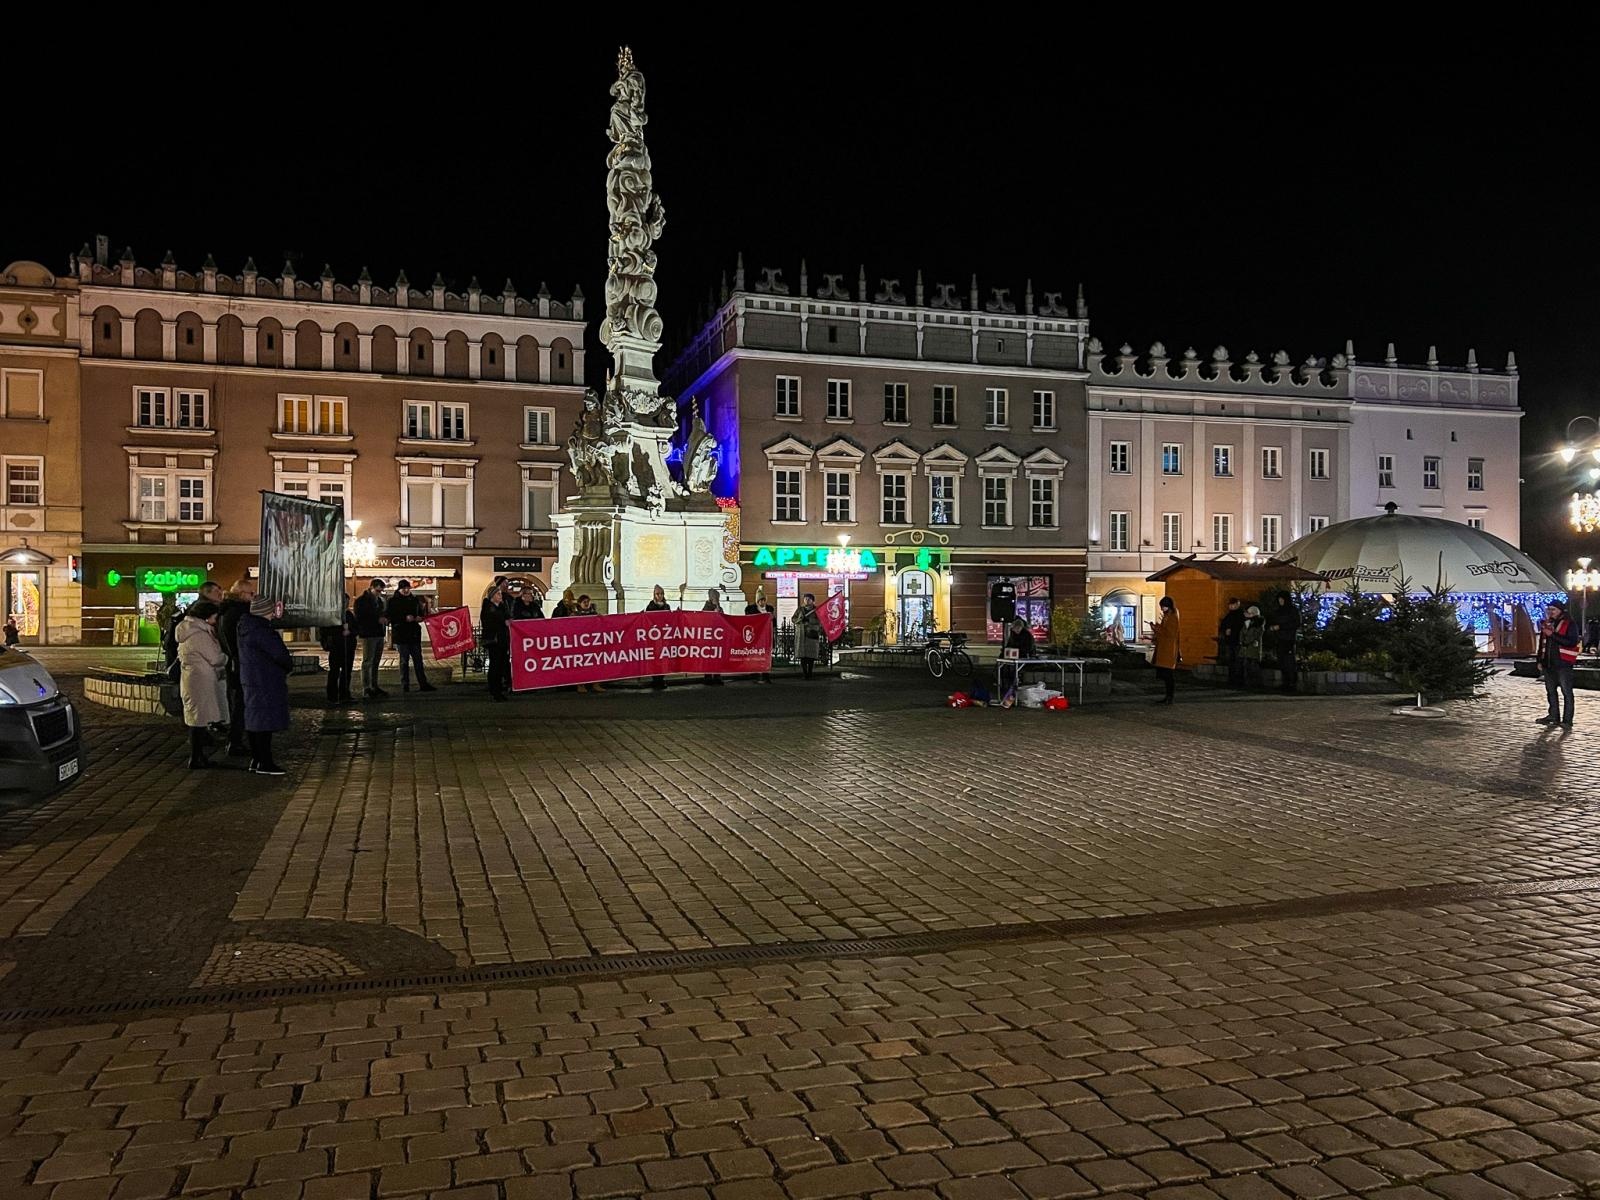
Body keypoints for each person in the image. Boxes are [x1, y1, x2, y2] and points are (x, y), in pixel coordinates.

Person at [237, 596, 291, 776]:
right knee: (264, 722)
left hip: (252, 678)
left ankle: (257, 759)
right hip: (265, 679)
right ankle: (265, 762)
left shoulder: (246, 627)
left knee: (255, 719)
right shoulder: (262, 630)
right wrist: (287, 665)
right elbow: (279, 654)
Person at [176, 600, 228, 769]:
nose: (216, 619)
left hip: (192, 678)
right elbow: (215, 658)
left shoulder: (188, 630)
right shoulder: (199, 635)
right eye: (214, 616)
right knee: (199, 720)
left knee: (197, 717)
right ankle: (196, 757)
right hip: (201, 680)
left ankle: (197, 756)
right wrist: (227, 658)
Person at [218, 578, 256, 755]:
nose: (253, 597)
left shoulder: (226, 611)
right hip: (241, 663)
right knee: (242, 704)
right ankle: (236, 741)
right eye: (251, 594)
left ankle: (236, 740)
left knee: (239, 703)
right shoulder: (239, 613)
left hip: (234, 663)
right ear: (241, 594)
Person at [385, 580, 436, 694]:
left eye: (408, 588)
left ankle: (423, 683)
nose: (407, 590)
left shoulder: (414, 600)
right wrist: (404, 618)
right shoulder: (393, 601)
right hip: (401, 634)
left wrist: (419, 618)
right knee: (404, 661)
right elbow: (391, 616)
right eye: (404, 589)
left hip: (413, 634)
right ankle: (405, 685)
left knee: (418, 660)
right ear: (399, 589)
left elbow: (422, 614)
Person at [162, 580, 224, 670]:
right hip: (203, 666)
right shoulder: (202, 609)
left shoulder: (196, 607)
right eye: (216, 591)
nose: (220, 593)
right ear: (206, 593)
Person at [1536, 599, 1580, 729]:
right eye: (1549, 609)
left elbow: (1572, 642)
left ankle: (1567, 720)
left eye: (1553, 609)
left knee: (1566, 692)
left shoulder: (1569, 624)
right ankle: (1553, 716)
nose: (1550, 612)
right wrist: (1539, 660)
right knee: (1551, 692)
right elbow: (1542, 643)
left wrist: (1552, 635)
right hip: (1548, 664)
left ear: (1560, 610)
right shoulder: (1548, 623)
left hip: (1563, 664)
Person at [354, 577, 390, 699]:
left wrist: (385, 619)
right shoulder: (362, 601)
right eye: (378, 590)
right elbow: (360, 617)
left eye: (381, 591)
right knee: (368, 661)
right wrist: (377, 619)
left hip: (379, 633)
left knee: (375, 662)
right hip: (368, 634)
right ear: (371, 588)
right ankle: (366, 688)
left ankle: (374, 685)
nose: (379, 593)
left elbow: (384, 613)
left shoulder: (380, 601)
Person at [319, 593, 358, 705]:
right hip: (336, 647)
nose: (346, 604)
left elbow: (356, 628)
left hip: (348, 647)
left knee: (347, 672)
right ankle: (332, 696)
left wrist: (350, 632)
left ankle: (344, 694)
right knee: (334, 672)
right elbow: (325, 631)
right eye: (344, 602)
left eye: (347, 602)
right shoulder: (332, 615)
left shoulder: (349, 615)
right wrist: (340, 633)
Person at [481, 583, 512, 702]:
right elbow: (490, 623)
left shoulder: (502, 607)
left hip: (502, 640)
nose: (501, 596)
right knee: (495, 665)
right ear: (492, 596)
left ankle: (498, 687)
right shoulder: (489, 608)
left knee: (501, 665)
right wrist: (503, 622)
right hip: (494, 640)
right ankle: (495, 690)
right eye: (498, 594)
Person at [1268, 590, 1301, 694]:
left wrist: (1281, 627)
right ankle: (1285, 682)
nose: (1280, 601)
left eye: (1282, 599)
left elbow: (1295, 623)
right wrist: (1273, 628)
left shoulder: (1292, 610)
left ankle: (1292, 683)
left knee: (1289, 662)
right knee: (1282, 661)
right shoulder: (1278, 611)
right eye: (1279, 600)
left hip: (1289, 639)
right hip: (1280, 639)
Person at [1151, 596, 1180, 705]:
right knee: (1166, 675)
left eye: (1163, 606)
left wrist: (1157, 628)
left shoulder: (1172, 617)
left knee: (1168, 675)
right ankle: (1168, 696)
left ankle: (1169, 697)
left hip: (1168, 649)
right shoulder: (1167, 616)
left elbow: (1169, 633)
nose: (1162, 609)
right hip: (1164, 648)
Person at [745, 587, 775, 683]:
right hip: (757, 637)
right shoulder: (751, 609)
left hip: (767, 637)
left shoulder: (769, 609)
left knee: (767, 656)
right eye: (760, 600)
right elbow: (749, 621)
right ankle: (758, 675)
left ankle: (766, 675)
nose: (762, 602)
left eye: (763, 600)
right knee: (758, 656)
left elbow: (773, 623)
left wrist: (772, 619)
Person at [646, 583, 672, 689]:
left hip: (664, 636)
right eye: (657, 594)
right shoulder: (651, 606)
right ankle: (655, 679)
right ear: (654, 595)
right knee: (655, 658)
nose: (659, 596)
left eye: (661, 594)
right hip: (654, 637)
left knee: (663, 658)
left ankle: (661, 678)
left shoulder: (667, 606)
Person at [795, 593, 825, 680]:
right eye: (805, 599)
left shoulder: (816, 610)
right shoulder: (800, 609)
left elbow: (820, 621)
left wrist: (810, 620)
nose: (806, 601)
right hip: (801, 635)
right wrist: (800, 619)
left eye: (808, 599)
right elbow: (794, 619)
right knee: (802, 656)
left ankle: (810, 673)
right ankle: (805, 674)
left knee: (810, 656)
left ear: (812, 601)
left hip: (812, 635)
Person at [1218, 598, 1246, 686]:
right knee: (1231, 660)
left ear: (1237, 604)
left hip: (1237, 641)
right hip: (1230, 641)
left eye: (1232, 604)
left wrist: (1231, 630)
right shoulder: (1229, 615)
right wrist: (1225, 630)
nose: (1230, 606)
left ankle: (1238, 679)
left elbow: (1241, 627)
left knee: (1237, 660)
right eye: (1230, 604)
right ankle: (1232, 679)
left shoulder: (1241, 615)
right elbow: (1223, 625)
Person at [701, 588, 725, 686]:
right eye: (715, 597)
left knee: (717, 658)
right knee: (708, 659)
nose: (717, 599)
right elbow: (704, 619)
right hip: (708, 638)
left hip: (717, 638)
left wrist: (719, 610)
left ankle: (717, 676)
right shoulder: (706, 608)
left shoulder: (720, 608)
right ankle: (708, 677)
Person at [1239, 605, 1265, 689]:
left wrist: (1246, 642)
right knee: (1246, 665)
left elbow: (1255, 635)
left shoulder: (1258, 624)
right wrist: (1242, 641)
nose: (1246, 614)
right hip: (1246, 647)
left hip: (1253, 647)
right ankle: (1248, 683)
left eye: (1249, 613)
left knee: (1254, 666)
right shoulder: (1247, 623)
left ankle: (1255, 684)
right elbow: (1242, 633)